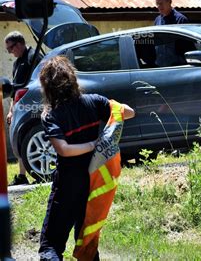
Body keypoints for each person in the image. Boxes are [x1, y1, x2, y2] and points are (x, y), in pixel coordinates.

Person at [37, 56, 135, 260]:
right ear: (73, 79)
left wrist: (91, 144)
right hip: (92, 181)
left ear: (48, 87)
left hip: (67, 183)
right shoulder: (94, 101)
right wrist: (102, 138)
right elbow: (129, 112)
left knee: (50, 245)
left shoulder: (51, 114)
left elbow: (63, 149)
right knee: (87, 243)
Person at [5, 31, 43, 186]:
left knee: (29, 138)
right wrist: (11, 110)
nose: (10, 52)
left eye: (10, 48)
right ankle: (22, 175)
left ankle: (38, 172)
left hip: (34, 105)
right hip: (20, 105)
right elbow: (16, 90)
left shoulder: (34, 57)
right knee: (19, 138)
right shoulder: (17, 63)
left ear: (19, 44)